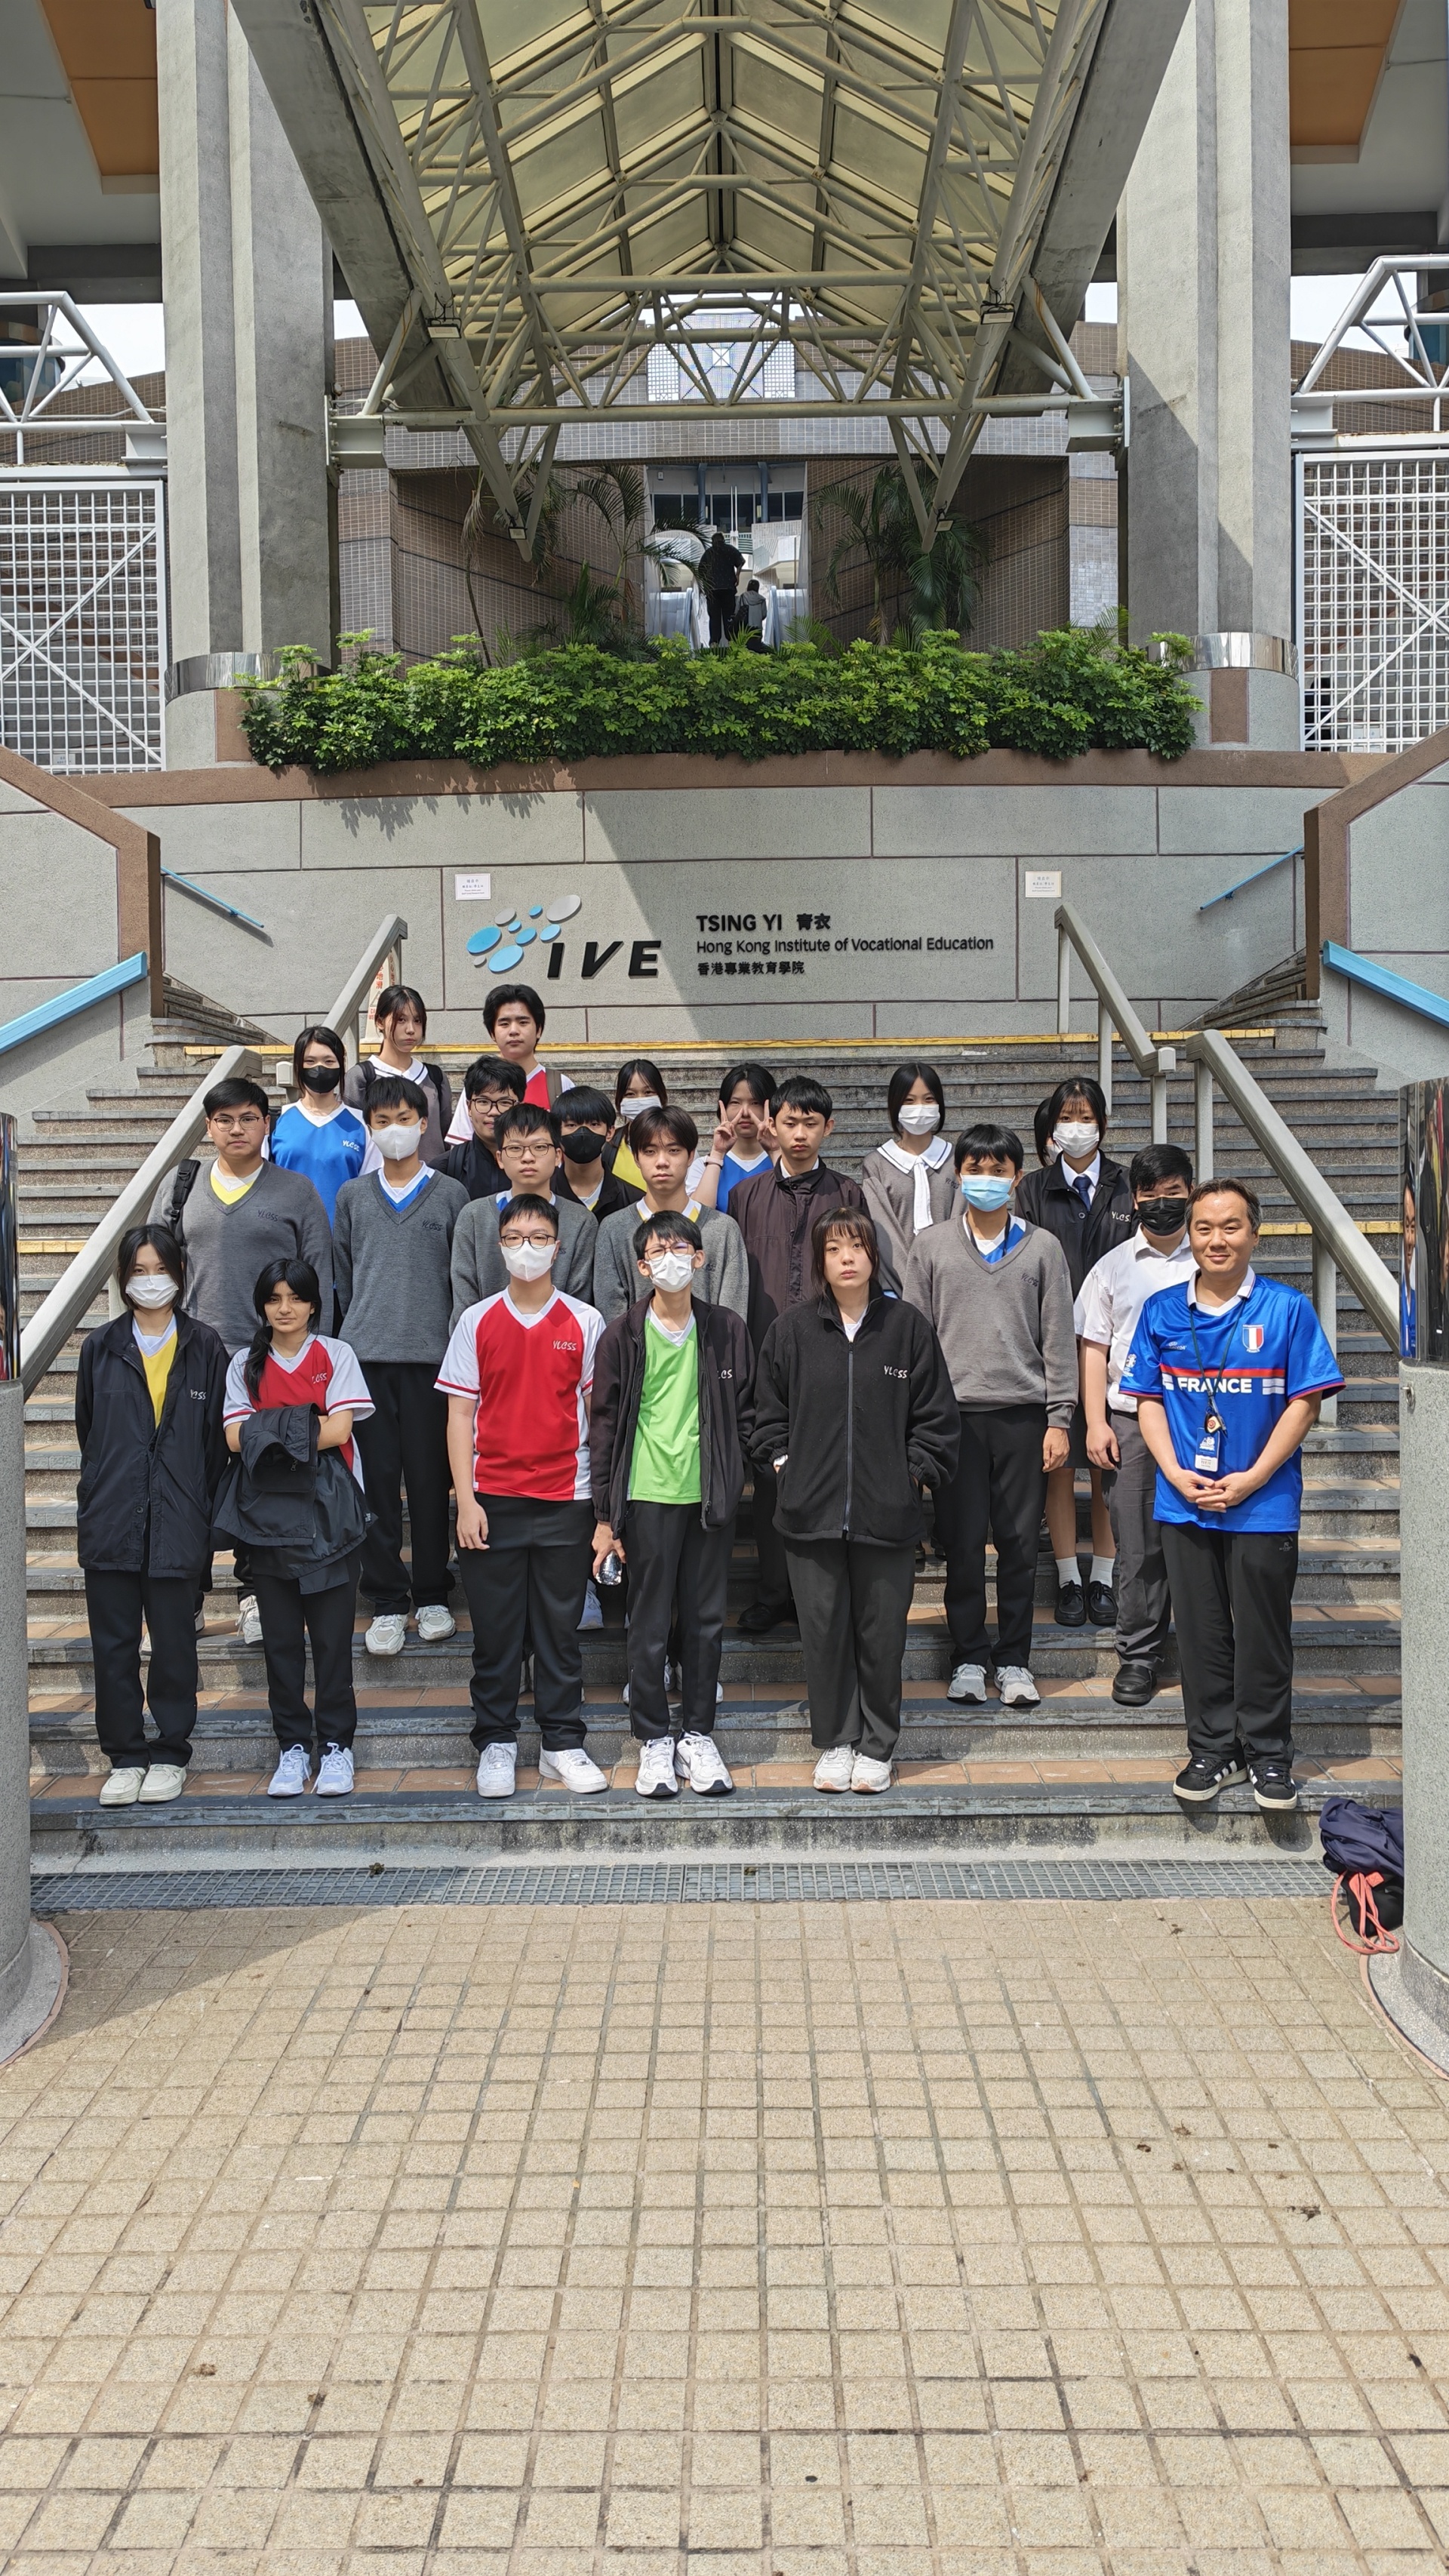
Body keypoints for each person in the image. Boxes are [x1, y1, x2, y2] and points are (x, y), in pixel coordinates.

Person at [1121, 1177, 1344, 1814]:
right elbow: (1148, 1400)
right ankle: (1213, 1748)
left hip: (1262, 1504)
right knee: (1200, 1632)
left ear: (1254, 1233)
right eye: (1204, 1228)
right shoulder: (1162, 1310)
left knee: (1263, 1633)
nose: (1216, 1239)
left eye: (1231, 1226)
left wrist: (1254, 1477)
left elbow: (1304, 1403)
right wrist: (1173, 1471)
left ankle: (1269, 1753)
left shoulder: (1286, 1309)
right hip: (1184, 1500)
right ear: (1189, 1236)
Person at [753, 1209, 958, 1793]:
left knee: (882, 1635)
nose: (847, 1257)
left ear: (874, 1255)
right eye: (834, 1248)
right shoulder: (792, 1331)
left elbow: (936, 1417)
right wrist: (785, 1466)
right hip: (809, 1514)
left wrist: (911, 1475)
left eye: (857, 1246)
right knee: (823, 1634)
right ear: (819, 1260)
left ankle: (877, 1745)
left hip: (886, 1514)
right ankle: (837, 1740)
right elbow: (767, 1415)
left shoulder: (906, 1328)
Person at [150, 1075, 333, 1650]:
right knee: (187, 1479)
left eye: (249, 1117)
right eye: (225, 1119)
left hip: (268, 1362)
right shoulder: (181, 1186)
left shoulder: (296, 1192)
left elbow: (320, 1275)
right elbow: (155, 1266)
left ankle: (254, 1595)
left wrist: (314, 1358)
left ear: (266, 1124)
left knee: (261, 1477)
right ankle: (187, 1597)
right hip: (195, 1359)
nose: (237, 1128)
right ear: (209, 1126)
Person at [436, 1193, 609, 1799]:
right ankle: (496, 1742)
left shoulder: (585, 1321)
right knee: (496, 1633)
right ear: (500, 1246)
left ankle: (562, 1742)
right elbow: (460, 1415)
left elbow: (598, 1417)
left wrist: (602, 1511)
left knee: (560, 1631)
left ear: (558, 1247)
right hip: (493, 1500)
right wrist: (466, 1500)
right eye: (515, 1238)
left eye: (539, 1237)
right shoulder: (476, 1320)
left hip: (567, 1497)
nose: (527, 1248)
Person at [903, 1122, 1077, 1710]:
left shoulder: (1044, 1248)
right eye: (975, 1169)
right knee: (962, 1544)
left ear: (1017, 1177)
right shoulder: (931, 1246)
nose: (986, 1179)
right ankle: (969, 1657)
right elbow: (916, 1339)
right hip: (954, 1419)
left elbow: (1059, 1337)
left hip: (1023, 1418)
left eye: (998, 1170)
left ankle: (1015, 1659)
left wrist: (1060, 1418)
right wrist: (918, 1420)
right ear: (958, 1175)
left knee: (1021, 1545)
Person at [589, 1210, 755, 1799]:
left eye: (680, 1249)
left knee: (706, 1620)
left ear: (699, 1258)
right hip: (646, 1495)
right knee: (650, 1621)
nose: (670, 1260)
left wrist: (739, 1470)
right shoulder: (623, 1334)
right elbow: (604, 1427)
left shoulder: (727, 1328)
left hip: (708, 1496)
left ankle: (698, 1735)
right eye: (658, 1252)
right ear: (642, 1266)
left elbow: (748, 1411)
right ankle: (654, 1737)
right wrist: (605, 1516)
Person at [78, 1226, 229, 1808]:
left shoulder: (205, 1346)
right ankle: (124, 1755)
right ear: (122, 1278)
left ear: (180, 1273)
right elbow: (90, 1432)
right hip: (113, 1518)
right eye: (138, 1270)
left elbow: (215, 1445)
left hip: (179, 1519)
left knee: (173, 1644)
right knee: (114, 1646)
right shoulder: (100, 1347)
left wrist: (197, 1508)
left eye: (160, 1269)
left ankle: (169, 1752)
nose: (150, 1280)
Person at [220, 1258, 374, 1799]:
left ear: (314, 1304)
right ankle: (291, 1746)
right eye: (274, 1298)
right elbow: (234, 1438)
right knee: (281, 1643)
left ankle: (335, 1746)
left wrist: (269, 1430)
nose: (285, 1309)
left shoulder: (336, 1354)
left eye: (296, 1298)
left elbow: (340, 1430)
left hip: (330, 1518)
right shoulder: (244, 1363)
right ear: (261, 1306)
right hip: (265, 1520)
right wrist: (306, 1422)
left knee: (332, 1642)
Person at [334, 1075, 469, 1658]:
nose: (394, 1129)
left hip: (432, 1362)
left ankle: (433, 1593)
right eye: (382, 1120)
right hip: (366, 1359)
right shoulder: (351, 1197)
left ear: (424, 1123)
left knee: (431, 1481)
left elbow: (459, 1278)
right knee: (377, 1486)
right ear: (370, 1127)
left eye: (405, 1119)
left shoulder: (451, 1194)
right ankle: (387, 1599)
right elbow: (342, 1276)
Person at [729, 1076, 868, 1633]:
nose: (800, 1133)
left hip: (830, 1347)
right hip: (765, 1349)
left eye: (811, 1123)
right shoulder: (745, 1196)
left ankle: (824, 1595)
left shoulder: (847, 1193)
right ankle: (773, 1591)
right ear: (772, 1124)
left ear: (828, 1128)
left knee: (829, 1468)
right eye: (790, 1122)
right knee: (770, 1472)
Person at [1075, 1143, 1197, 1707]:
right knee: (1138, 1544)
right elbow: (1093, 1349)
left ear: (1191, 1192)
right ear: (1135, 1199)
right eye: (1152, 1194)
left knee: (1202, 1539)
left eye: (1174, 1192)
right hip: (1128, 1420)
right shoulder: (1112, 1266)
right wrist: (1095, 1421)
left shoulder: (1212, 1258)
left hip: (1202, 1418)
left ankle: (1203, 1655)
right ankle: (1139, 1655)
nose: (1163, 1203)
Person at [1017, 1076, 1134, 1629]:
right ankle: (1068, 1577)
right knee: (1059, 1465)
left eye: (1086, 1117)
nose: (1076, 1126)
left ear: (1103, 1125)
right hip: (1054, 1344)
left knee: (1108, 1463)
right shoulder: (1033, 1189)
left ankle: (1104, 1577)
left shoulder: (1128, 1186)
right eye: (1066, 1117)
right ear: (1052, 1127)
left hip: (1118, 1345)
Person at [592, 1105, 748, 1322]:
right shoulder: (614, 1230)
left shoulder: (723, 1230)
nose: (662, 1162)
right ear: (636, 1158)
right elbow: (613, 1318)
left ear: (691, 1155)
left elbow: (733, 1320)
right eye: (650, 1151)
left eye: (674, 1151)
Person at [451, 1102, 597, 1313]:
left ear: (558, 1156)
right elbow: (465, 1302)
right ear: (500, 1158)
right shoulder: (474, 1216)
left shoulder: (581, 1221)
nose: (527, 1158)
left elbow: (579, 1305)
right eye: (515, 1149)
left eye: (539, 1147)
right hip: (484, 1332)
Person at [269, 1026, 380, 1223]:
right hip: (287, 1237)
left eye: (329, 1061)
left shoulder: (362, 1125)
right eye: (310, 1061)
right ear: (298, 1066)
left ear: (341, 1065)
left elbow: (370, 1193)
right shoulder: (277, 1121)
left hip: (342, 1237)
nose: (319, 1068)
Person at [861, 1060, 957, 1285]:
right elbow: (883, 1232)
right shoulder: (876, 1164)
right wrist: (912, 1285)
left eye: (929, 1099)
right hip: (896, 1288)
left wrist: (943, 1277)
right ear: (895, 1105)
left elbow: (960, 1222)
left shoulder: (957, 1160)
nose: (920, 1108)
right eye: (909, 1101)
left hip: (949, 1282)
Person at [443, 983, 573, 1140]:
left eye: (523, 1022)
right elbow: (460, 1145)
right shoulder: (479, 1084)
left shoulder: (560, 1085)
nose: (513, 1031)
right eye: (504, 1024)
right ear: (492, 1033)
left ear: (538, 1030)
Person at [344, 984, 453, 1167]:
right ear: (380, 1022)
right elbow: (350, 1138)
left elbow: (445, 1133)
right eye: (401, 1020)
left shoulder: (435, 1077)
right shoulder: (361, 1078)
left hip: (432, 1179)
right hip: (377, 1178)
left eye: (417, 1021)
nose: (411, 1029)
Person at [691, 1060, 777, 1211]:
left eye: (755, 1103)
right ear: (722, 1108)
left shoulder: (786, 1163)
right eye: (735, 1103)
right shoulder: (702, 1166)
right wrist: (717, 1154)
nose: (745, 1112)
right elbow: (698, 1216)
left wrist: (776, 1151)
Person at [554, 1086, 644, 1221]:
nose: (583, 1133)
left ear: (610, 1132)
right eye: (572, 1125)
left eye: (594, 1124)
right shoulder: (544, 1197)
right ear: (556, 1132)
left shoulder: (635, 1202)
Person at [443, 1056, 525, 1200]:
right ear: (469, 1107)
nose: (493, 1112)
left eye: (505, 1102)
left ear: (519, 1107)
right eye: (483, 1102)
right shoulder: (445, 1168)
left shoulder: (536, 1165)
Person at [609, 1058, 670, 1193]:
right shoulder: (609, 1146)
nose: (640, 1099)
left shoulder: (679, 1141)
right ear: (620, 1100)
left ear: (661, 1096)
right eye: (630, 1094)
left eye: (648, 1092)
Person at [700, 527, 745, 642]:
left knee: (714, 618)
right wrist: (737, 575)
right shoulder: (730, 550)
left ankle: (714, 642)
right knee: (729, 617)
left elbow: (701, 571)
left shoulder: (708, 553)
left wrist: (706, 586)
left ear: (713, 541)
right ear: (723, 540)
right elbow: (741, 561)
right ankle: (732, 642)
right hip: (728, 589)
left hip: (712, 591)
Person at [740, 578, 768, 648]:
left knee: (745, 648)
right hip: (758, 627)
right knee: (756, 647)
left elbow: (738, 611)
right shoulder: (762, 599)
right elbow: (764, 614)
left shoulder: (743, 597)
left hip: (745, 627)